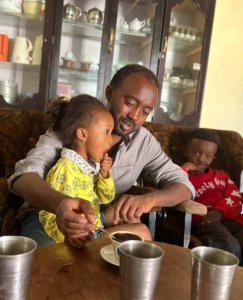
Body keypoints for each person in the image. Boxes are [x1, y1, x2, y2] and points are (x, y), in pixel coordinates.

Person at [8, 64, 195, 247]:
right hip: (47, 218)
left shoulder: (144, 142)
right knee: (54, 265)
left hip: (95, 224)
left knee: (140, 238)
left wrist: (151, 199)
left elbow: (184, 185)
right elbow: (24, 175)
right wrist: (60, 204)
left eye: (145, 111)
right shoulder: (75, 124)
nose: (135, 116)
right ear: (109, 93)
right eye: (130, 103)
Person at [38, 95, 151, 246]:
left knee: (131, 217)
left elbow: (106, 198)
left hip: (95, 222)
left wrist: (104, 175)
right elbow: (52, 215)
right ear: (82, 134)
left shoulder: (89, 166)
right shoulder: (65, 169)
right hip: (83, 236)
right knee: (142, 230)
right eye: (106, 132)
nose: (111, 139)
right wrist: (75, 238)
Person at [181, 128, 243, 265]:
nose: (201, 159)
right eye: (196, 152)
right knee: (229, 245)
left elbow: (235, 197)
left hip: (228, 217)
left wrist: (218, 212)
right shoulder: (179, 174)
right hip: (205, 220)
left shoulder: (221, 175)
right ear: (185, 151)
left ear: (213, 158)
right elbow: (172, 190)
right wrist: (184, 169)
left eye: (208, 156)